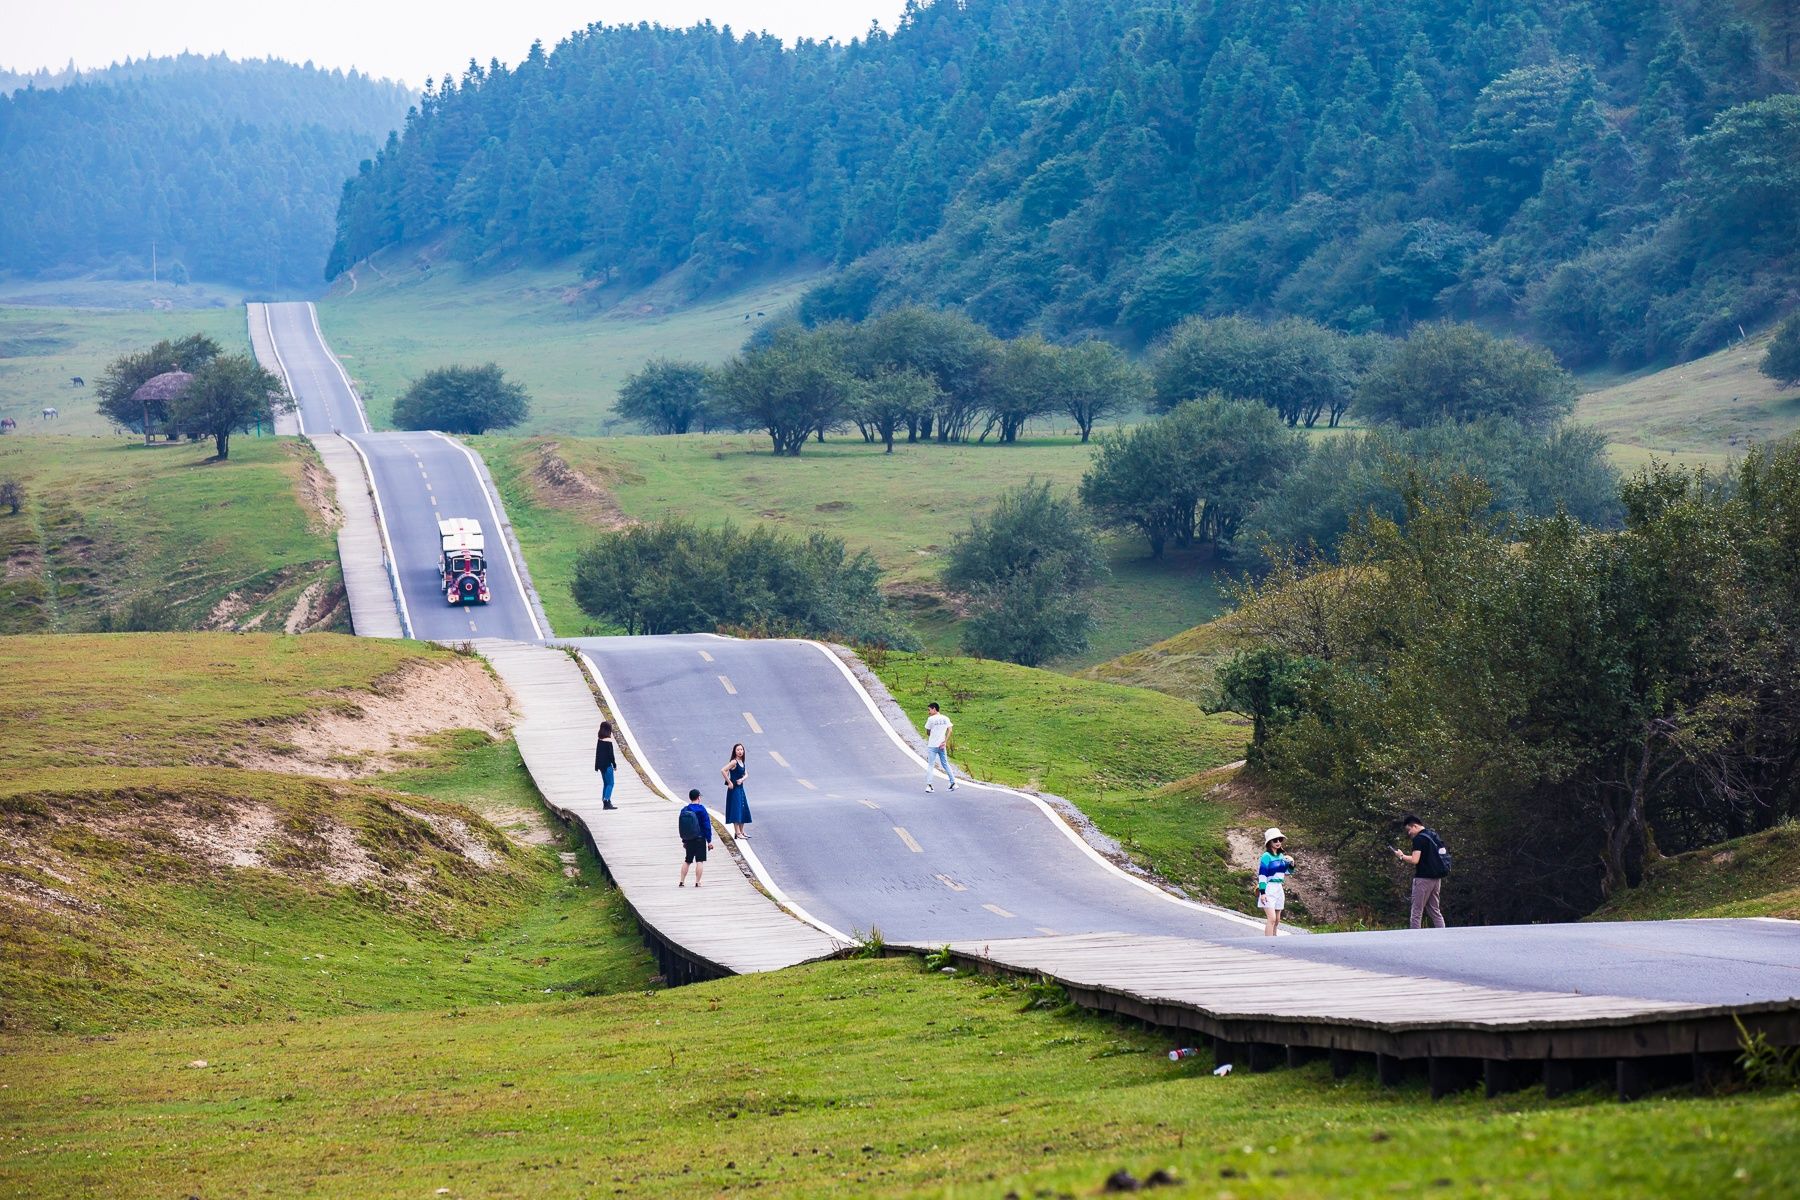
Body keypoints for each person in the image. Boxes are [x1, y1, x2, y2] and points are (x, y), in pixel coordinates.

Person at [1393, 813, 1448, 928]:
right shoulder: (1433, 835)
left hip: (1423, 879)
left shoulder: (1419, 839)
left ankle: (1415, 938)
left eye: (1409, 830)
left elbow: (1414, 860)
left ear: (1414, 826)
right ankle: (1444, 935)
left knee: (1416, 911)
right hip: (1436, 878)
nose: (1409, 834)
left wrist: (1401, 856)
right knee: (1435, 910)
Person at [1256, 828, 1294, 936]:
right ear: (1269, 842)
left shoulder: (1282, 856)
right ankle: (1268, 942)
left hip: (1279, 887)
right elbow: (1262, 875)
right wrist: (1262, 892)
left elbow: (1287, 872)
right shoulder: (1266, 856)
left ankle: (1275, 940)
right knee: (1271, 918)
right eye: (1275, 840)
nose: (1278, 842)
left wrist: (1292, 864)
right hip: (1269, 887)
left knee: (1277, 920)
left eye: (1280, 840)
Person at [678, 788, 712, 887]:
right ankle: (697, 882)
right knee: (699, 861)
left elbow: (683, 826)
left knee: (687, 860)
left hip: (689, 839)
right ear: (698, 798)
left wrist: (684, 840)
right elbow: (707, 826)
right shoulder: (702, 809)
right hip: (700, 838)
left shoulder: (685, 809)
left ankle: (682, 881)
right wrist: (709, 841)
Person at [922, 701, 958, 793]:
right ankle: (953, 783)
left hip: (932, 745)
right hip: (942, 745)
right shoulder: (945, 718)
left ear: (934, 709)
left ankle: (929, 786)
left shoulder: (931, 719)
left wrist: (932, 733)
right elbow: (950, 730)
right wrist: (945, 741)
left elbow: (928, 732)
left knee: (931, 765)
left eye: (929, 710)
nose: (928, 712)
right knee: (945, 764)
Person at [721, 742, 752, 838]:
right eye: (738, 750)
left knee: (743, 808)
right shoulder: (734, 762)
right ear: (735, 751)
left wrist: (742, 779)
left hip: (740, 789)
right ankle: (737, 832)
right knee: (736, 810)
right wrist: (729, 782)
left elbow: (746, 774)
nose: (740, 751)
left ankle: (742, 831)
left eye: (741, 749)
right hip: (734, 790)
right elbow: (723, 770)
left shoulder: (742, 762)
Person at [594, 721, 618, 810]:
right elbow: (611, 755)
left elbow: (597, 754)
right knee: (611, 783)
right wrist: (614, 765)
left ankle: (605, 802)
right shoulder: (608, 741)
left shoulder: (599, 740)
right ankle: (606, 800)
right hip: (607, 765)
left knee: (605, 783)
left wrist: (596, 766)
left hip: (601, 766)